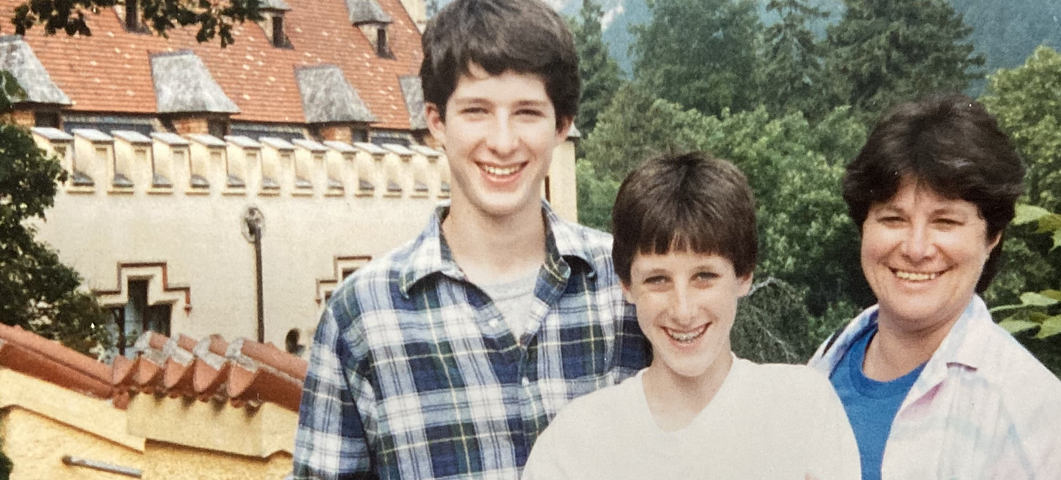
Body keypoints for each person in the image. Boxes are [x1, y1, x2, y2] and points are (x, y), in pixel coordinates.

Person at [290, 0, 649, 478]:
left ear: (561, 126)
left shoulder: (628, 285)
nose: (502, 142)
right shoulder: (365, 316)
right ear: (437, 122)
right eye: (476, 111)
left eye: (526, 112)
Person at [808, 93, 1061, 479]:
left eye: (946, 222)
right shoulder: (828, 363)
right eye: (893, 219)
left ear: (992, 236)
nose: (916, 249)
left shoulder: (1030, 414)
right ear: (863, 227)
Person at [522, 152, 861, 480]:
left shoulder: (801, 407)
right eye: (658, 280)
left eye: (704, 277)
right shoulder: (577, 441)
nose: (683, 310)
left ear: (744, 276)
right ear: (626, 285)